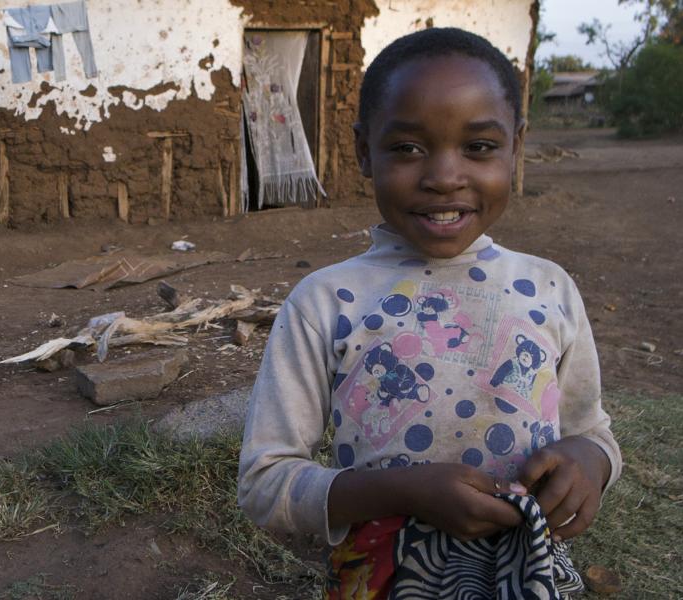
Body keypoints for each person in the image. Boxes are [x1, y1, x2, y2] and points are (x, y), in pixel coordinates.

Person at [237, 27, 621, 597]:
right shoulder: (325, 302)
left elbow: (592, 433)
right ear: (365, 151)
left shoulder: (550, 290)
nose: (444, 176)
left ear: (517, 145)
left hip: (528, 577)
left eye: (480, 147)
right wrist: (406, 492)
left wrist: (590, 462)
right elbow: (266, 483)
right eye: (408, 148)